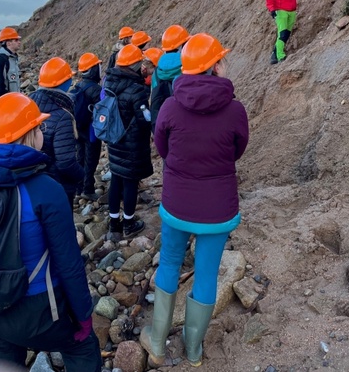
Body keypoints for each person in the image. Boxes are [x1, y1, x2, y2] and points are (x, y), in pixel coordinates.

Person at [0, 93, 101, 371]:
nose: (43, 132)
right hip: (35, 311)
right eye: (39, 127)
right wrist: (83, 317)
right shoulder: (46, 189)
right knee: (82, 346)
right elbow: (69, 264)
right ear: (31, 134)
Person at [140, 33, 249, 367]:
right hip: (218, 209)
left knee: (170, 264)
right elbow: (237, 151)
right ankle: (194, 350)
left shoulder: (171, 106)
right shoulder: (235, 110)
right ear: (215, 66)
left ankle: (157, 343)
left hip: (177, 204)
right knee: (205, 274)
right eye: (222, 58)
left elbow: (162, 148)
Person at [104, 44, 153, 240]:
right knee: (130, 182)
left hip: (114, 140)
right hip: (132, 144)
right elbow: (144, 120)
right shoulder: (136, 89)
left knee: (116, 178)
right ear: (134, 65)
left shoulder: (109, 82)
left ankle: (113, 222)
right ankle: (129, 222)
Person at [30, 58, 84, 209]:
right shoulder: (63, 115)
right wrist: (81, 175)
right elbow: (66, 162)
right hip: (59, 184)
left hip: (33, 182)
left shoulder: (28, 104)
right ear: (63, 82)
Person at [72, 53, 103, 201]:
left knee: (80, 157)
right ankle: (88, 189)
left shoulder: (78, 85)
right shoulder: (96, 89)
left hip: (78, 128)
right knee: (91, 159)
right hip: (91, 130)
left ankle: (78, 188)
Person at [150, 24, 190, 132]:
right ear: (182, 45)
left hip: (167, 126)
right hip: (190, 124)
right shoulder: (190, 65)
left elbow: (155, 100)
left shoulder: (157, 71)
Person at [0, 27, 21, 98]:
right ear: (8, 43)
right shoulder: (1, 60)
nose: (19, 42)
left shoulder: (13, 59)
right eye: (16, 40)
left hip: (14, 102)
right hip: (5, 104)